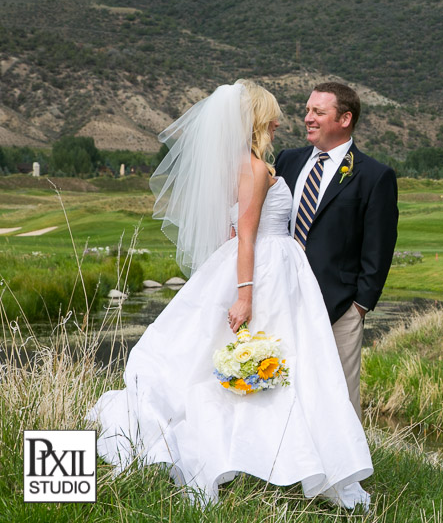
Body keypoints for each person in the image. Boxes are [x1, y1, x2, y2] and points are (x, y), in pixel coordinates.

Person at [87, 81, 372, 508]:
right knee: (283, 368)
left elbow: (230, 231)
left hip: (269, 269)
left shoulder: (236, 166)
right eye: (273, 116)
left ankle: (267, 454)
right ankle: (273, 456)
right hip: (267, 273)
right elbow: (246, 241)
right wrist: (244, 295)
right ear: (256, 120)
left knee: (258, 366)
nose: (281, 122)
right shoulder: (256, 169)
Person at [275, 82, 398, 421]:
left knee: (339, 396)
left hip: (339, 306)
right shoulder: (288, 160)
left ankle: (345, 472)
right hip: (282, 297)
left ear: (344, 118)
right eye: (307, 110)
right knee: (281, 386)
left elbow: (379, 246)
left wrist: (359, 306)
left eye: (318, 112)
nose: (307, 118)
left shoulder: (374, 176)